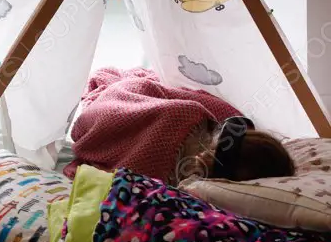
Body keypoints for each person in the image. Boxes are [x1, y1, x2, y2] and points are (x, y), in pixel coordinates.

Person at [65, 67, 294, 185]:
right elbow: (194, 102)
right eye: (217, 146)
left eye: (216, 157)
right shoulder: (221, 122)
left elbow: (137, 175)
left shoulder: (194, 183)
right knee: (181, 110)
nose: (206, 155)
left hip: (154, 128)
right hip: (137, 102)